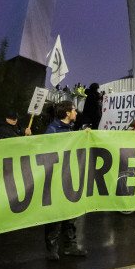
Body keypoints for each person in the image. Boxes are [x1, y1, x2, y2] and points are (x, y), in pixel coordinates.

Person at [43, 102, 88, 259]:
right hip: (56, 177)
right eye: (74, 110)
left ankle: (70, 246)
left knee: (71, 212)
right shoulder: (53, 130)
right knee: (56, 214)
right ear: (68, 113)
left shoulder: (69, 129)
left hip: (68, 175)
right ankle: (52, 249)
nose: (76, 112)